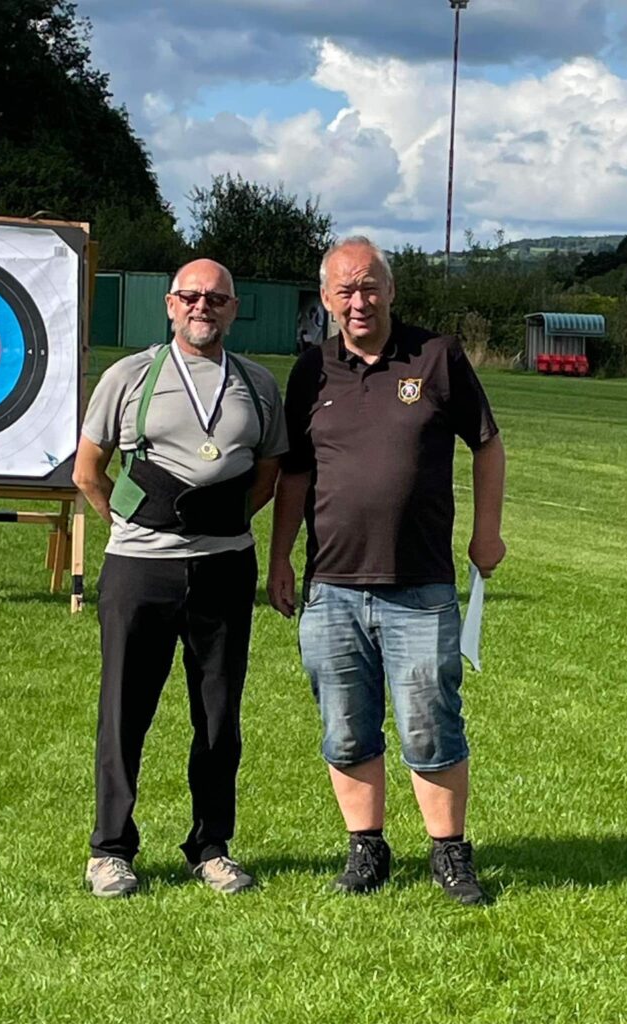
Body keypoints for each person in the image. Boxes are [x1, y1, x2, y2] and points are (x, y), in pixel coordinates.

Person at [268, 237, 506, 906]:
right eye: (344, 290)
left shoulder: (435, 356)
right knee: (345, 725)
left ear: (390, 290)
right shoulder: (310, 371)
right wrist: (280, 555)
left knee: (431, 722)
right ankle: (365, 849)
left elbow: (486, 445)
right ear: (324, 300)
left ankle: (449, 855)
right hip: (332, 588)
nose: (358, 300)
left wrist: (485, 533)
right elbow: (294, 473)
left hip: (420, 584)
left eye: (369, 286)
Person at [73, 258, 288, 897]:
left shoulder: (257, 384)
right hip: (141, 568)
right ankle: (110, 850)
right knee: (124, 710)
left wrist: (219, 526)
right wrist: (137, 525)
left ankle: (211, 846)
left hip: (226, 568)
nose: (203, 307)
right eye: (191, 297)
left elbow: (269, 473)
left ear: (234, 307)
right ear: (170, 305)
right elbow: (88, 470)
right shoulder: (128, 376)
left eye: (216, 298)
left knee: (219, 715)